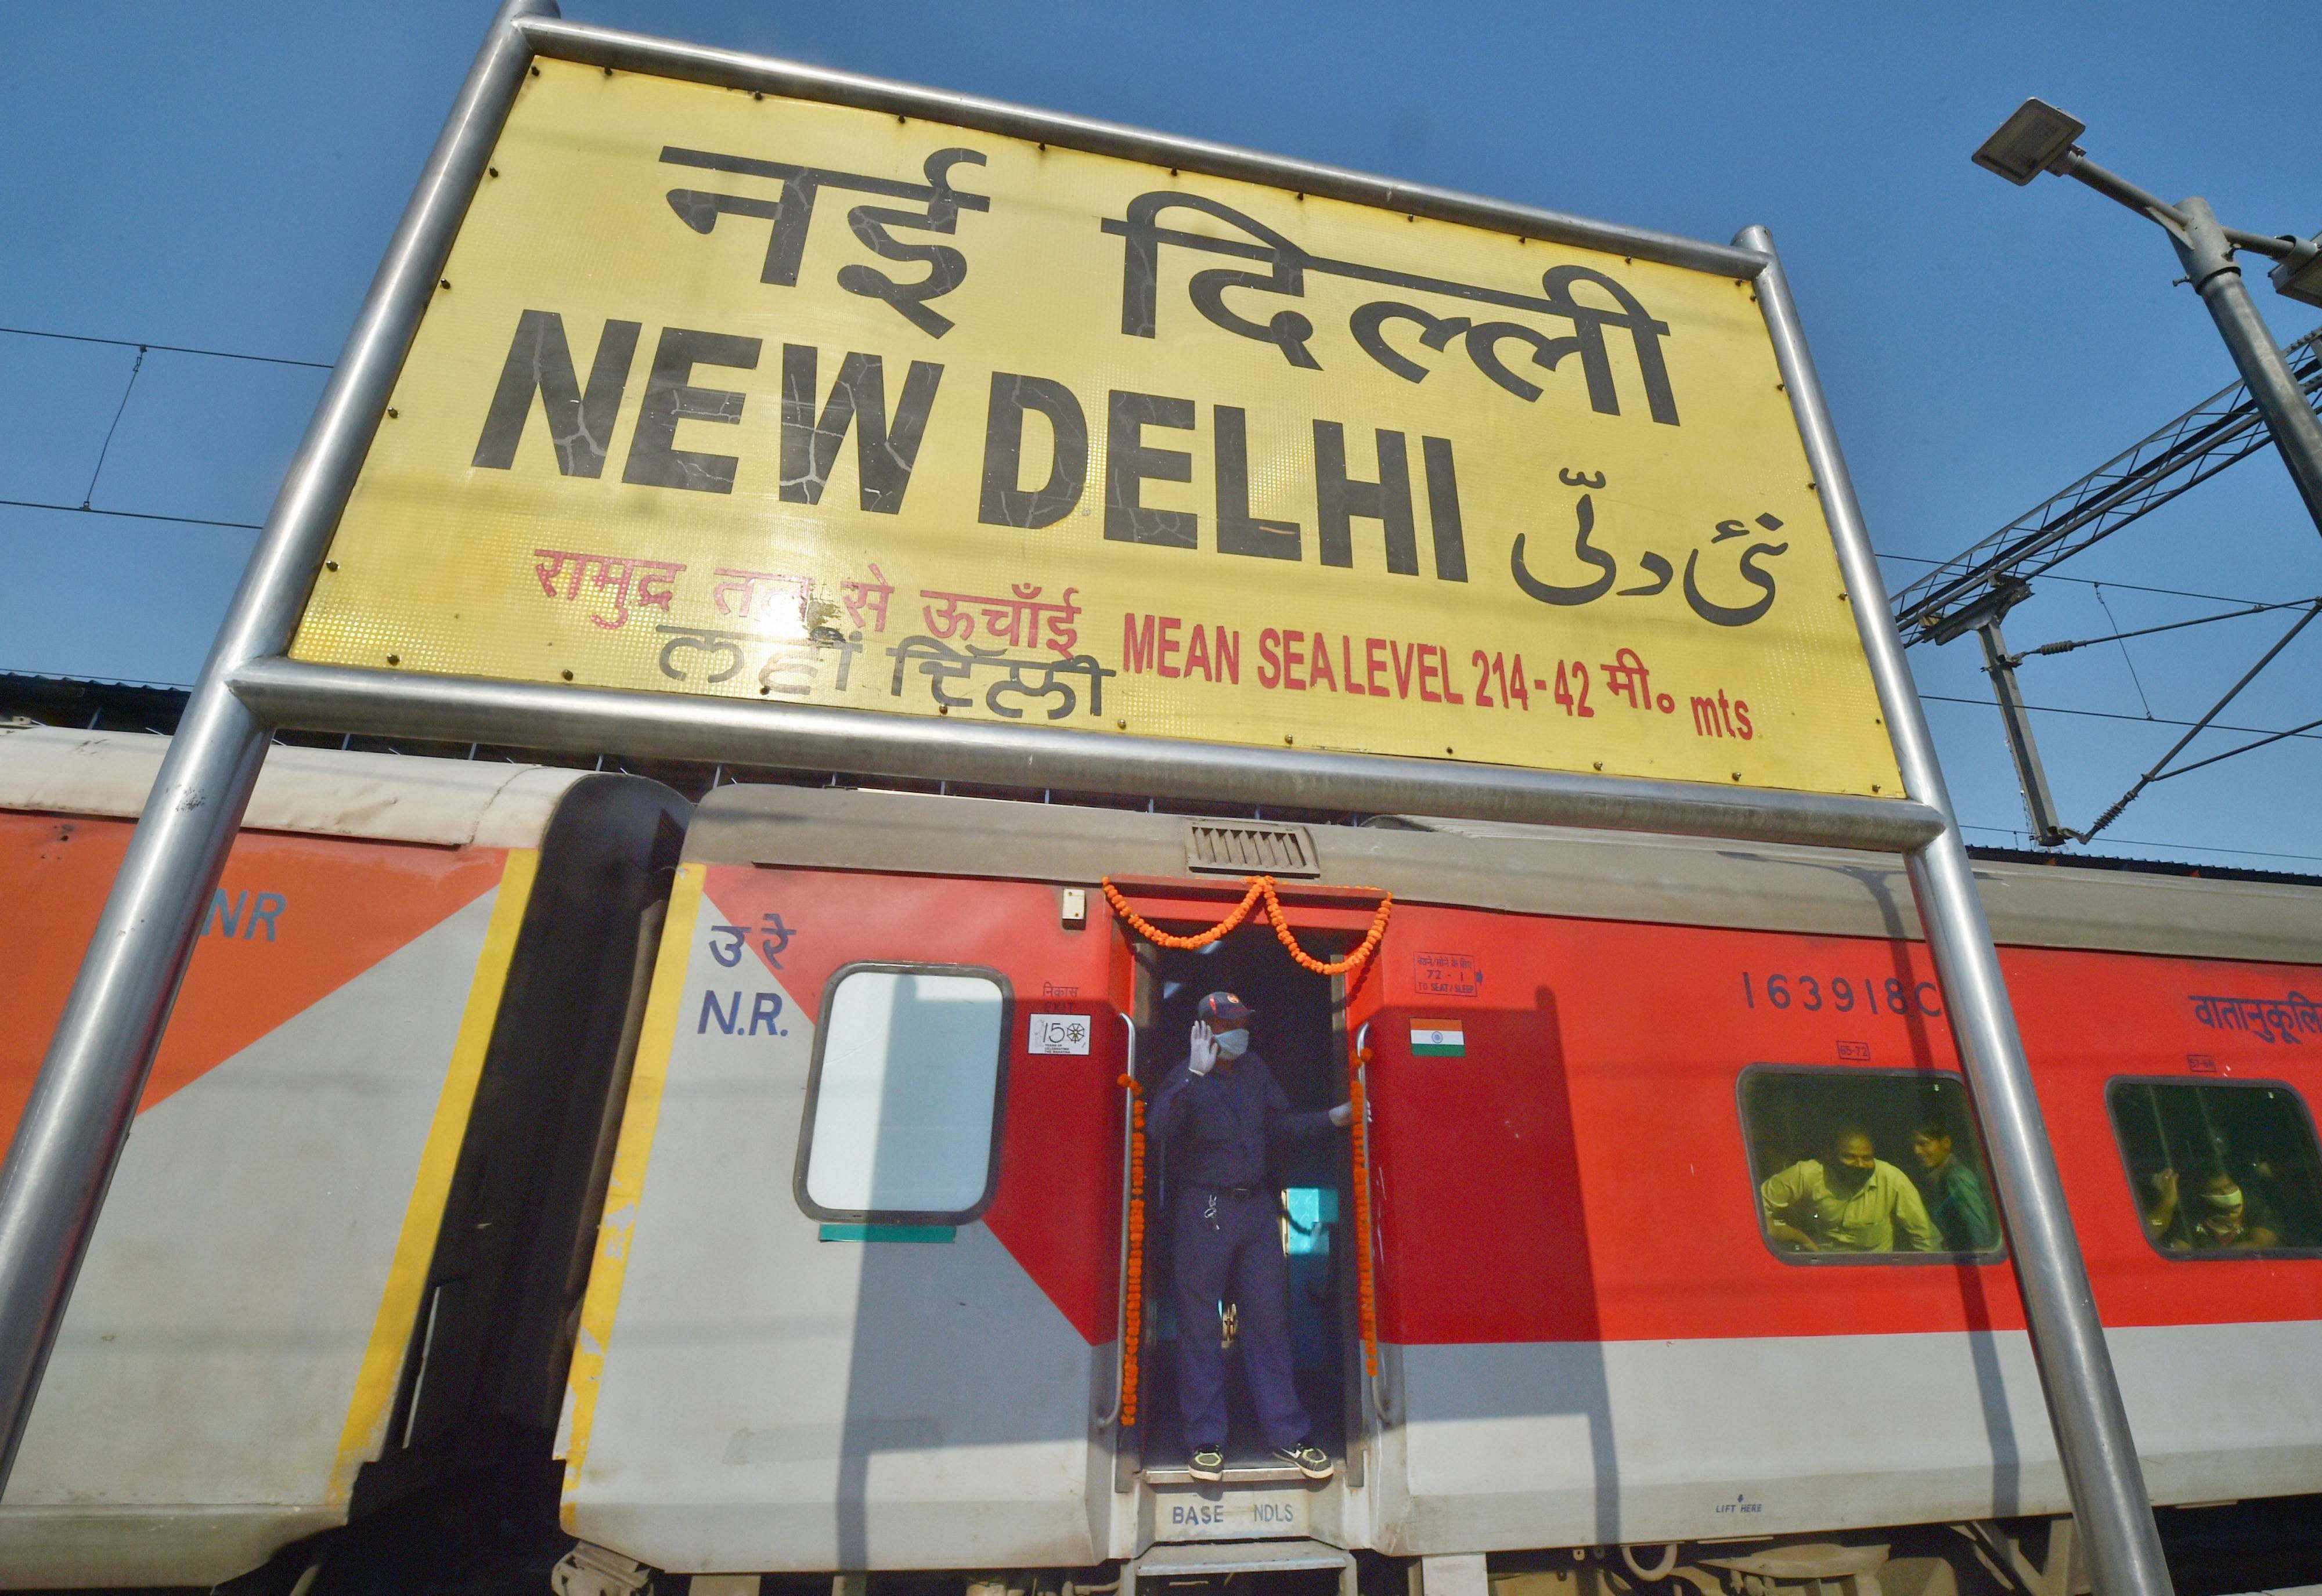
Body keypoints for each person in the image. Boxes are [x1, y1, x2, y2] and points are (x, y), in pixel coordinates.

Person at [1150, 991, 1353, 1483]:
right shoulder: (1185, 1076)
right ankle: (1205, 1441)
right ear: (1205, 1031)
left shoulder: (1255, 1071)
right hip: (1207, 1207)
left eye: (1243, 1022)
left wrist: (1331, 1119)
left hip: (1256, 1207)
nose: (1240, 1031)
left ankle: (1288, 1434)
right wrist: (1194, 1078)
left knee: (1269, 1318)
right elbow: (1159, 1129)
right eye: (1229, 1024)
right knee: (1201, 1326)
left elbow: (1279, 1127)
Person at [1760, 1124, 1942, 1254]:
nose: (1860, 1165)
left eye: (1867, 1158)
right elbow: (1751, 1210)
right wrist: (1796, 1236)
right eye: (1850, 1157)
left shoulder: (1892, 1179)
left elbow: (1925, 1237)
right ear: (1829, 1155)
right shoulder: (1808, 1174)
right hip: (1820, 1270)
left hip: (1876, 1275)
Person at [2143, 1164, 2281, 1251]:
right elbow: (2153, 1232)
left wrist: (2209, 1256)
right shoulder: (2192, 1218)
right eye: (2218, 1191)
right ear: (2204, 1196)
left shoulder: (2253, 1206)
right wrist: (2168, 1202)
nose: (2228, 1194)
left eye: (2230, 1187)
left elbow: (2261, 1244)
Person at [1909, 1121, 1999, 1252]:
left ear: (1946, 1143)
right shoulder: (1939, 1178)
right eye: (1915, 1145)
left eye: (1924, 1144)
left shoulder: (1958, 1179)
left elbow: (1980, 1234)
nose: (1917, 1151)